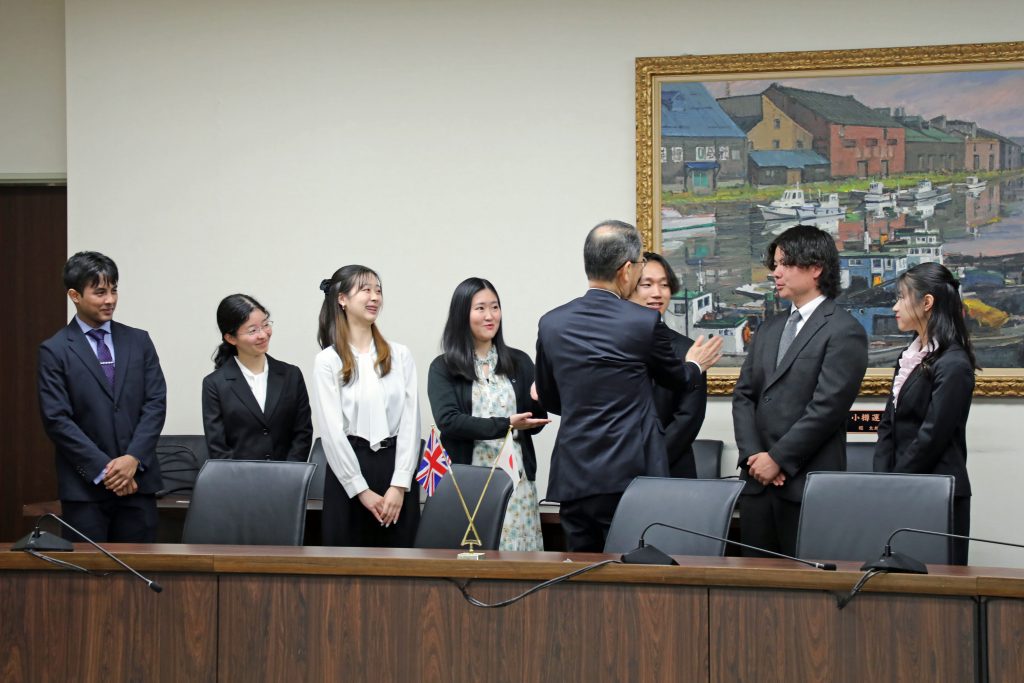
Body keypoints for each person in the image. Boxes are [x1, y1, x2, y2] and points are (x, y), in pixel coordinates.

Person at [535, 220, 723, 552]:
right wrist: (695, 365)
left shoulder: (552, 322)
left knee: (581, 575)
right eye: (639, 268)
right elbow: (676, 379)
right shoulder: (642, 323)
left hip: (574, 475)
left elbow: (549, 397)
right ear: (625, 270)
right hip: (629, 476)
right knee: (630, 576)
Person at [732, 224, 868, 557]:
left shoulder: (843, 330)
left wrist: (778, 459)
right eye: (774, 265)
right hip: (757, 485)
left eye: (784, 264)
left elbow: (826, 409)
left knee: (806, 600)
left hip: (807, 485)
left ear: (815, 268)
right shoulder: (770, 327)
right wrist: (755, 458)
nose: (775, 273)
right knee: (752, 591)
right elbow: (744, 396)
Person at [37, 251, 167, 542]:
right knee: (91, 582)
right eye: (99, 292)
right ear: (75, 295)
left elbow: (155, 403)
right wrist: (107, 470)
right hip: (86, 490)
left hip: (138, 484)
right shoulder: (54, 350)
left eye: (113, 290)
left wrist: (133, 459)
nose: (110, 300)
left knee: (141, 580)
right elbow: (57, 420)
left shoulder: (139, 341)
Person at [428, 277, 551, 551]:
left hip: (515, 480)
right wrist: (506, 423)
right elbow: (450, 422)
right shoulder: (444, 367)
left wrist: (543, 396)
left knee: (518, 558)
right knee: (472, 555)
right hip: (469, 482)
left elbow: (534, 419)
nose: (490, 316)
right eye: (480, 308)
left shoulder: (519, 362)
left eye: (494, 307)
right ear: (462, 314)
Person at [874, 262, 976, 565]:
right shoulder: (910, 356)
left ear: (927, 302)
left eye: (902, 298)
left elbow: (932, 436)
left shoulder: (953, 363)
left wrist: (896, 483)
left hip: (936, 491)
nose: (895, 307)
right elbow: (887, 426)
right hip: (898, 488)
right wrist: (879, 482)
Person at [311, 265, 420, 547]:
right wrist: (360, 490)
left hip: (396, 470)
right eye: (365, 290)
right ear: (342, 299)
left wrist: (399, 485)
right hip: (348, 474)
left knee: (403, 570)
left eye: (378, 290)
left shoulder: (400, 355)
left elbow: (411, 423)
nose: (375, 297)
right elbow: (332, 433)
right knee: (346, 575)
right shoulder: (328, 361)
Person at [201, 294, 313, 462]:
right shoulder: (215, 384)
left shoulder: (291, 375)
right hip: (238, 482)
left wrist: (289, 474)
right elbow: (218, 446)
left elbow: (302, 433)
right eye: (252, 330)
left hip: (288, 479)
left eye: (265, 325)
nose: (263, 335)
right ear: (231, 338)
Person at [628, 251, 707, 478]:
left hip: (670, 471)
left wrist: (646, 462)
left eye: (664, 285)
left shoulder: (687, 349)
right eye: (647, 284)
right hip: (614, 471)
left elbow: (687, 418)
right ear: (627, 288)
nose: (657, 293)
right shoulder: (609, 343)